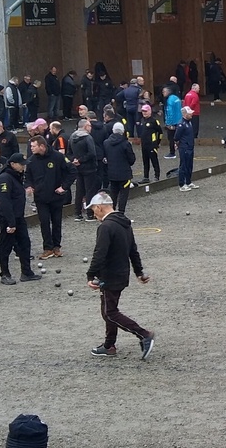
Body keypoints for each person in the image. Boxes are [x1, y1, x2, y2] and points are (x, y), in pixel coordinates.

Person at [85, 192, 155, 360]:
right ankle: (109, 345)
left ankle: (144, 335)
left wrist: (90, 275)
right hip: (122, 274)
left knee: (110, 313)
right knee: (108, 310)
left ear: (99, 207)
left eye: (93, 210)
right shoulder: (124, 223)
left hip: (110, 275)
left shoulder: (106, 227)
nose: (93, 214)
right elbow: (133, 250)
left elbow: (99, 253)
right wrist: (139, 272)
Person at [0, 152, 40, 285]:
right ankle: (5, 274)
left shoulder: (16, 176)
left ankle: (26, 272)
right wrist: (11, 223)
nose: (23, 167)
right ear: (13, 164)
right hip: (8, 219)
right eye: (21, 164)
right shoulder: (5, 178)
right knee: (6, 247)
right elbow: (5, 201)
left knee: (25, 244)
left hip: (18, 217)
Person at [25, 134, 70, 257]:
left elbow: (71, 171)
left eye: (33, 146)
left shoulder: (58, 157)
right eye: (31, 146)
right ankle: (48, 248)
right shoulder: (31, 160)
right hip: (40, 198)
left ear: (42, 146)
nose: (31, 148)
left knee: (57, 222)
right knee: (44, 223)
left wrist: (64, 187)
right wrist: (29, 186)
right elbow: (27, 177)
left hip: (56, 196)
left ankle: (56, 246)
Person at [102, 121, 136, 213]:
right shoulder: (126, 143)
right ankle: (121, 212)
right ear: (123, 131)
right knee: (123, 195)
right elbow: (132, 159)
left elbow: (105, 157)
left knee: (113, 193)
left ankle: (111, 211)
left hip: (111, 173)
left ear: (113, 130)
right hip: (124, 173)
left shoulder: (106, 143)